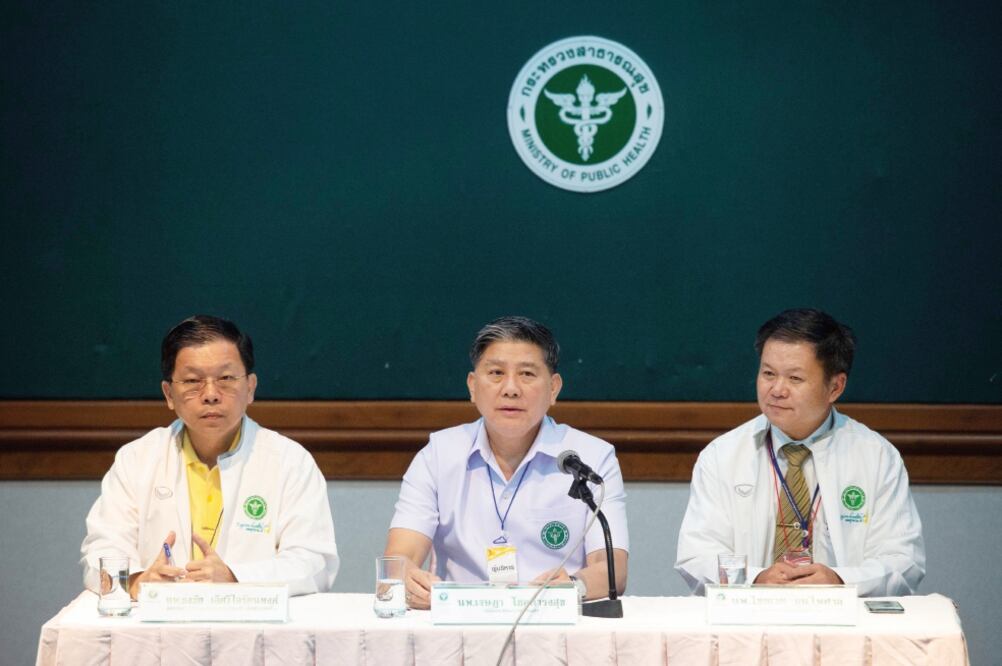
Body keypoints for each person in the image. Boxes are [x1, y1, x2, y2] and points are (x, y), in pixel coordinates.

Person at [80, 315, 339, 598]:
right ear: (169, 394)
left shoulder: (290, 461)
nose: (211, 394)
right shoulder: (137, 459)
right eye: (193, 381)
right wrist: (137, 581)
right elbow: (102, 549)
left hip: (251, 622)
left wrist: (234, 578)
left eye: (226, 378)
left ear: (250, 388)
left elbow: (314, 563)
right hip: (159, 620)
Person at [675, 308, 925, 597]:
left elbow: (903, 561)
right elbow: (697, 555)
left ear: (835, 387)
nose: (777, 390)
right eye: (768, 374)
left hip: (843, 618)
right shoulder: (723, 455)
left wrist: (840, 581)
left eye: (794, 378)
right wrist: (755, 579)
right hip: (747, 615)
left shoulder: (876, 457)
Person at [385, 316, 629, 609]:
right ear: (473, 386)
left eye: (527, 374)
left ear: (553, 389)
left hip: (553, 620)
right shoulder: (438, 455)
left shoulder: (591, 459)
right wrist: (407, 580)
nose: (511, 388)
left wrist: (574, 586)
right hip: (460, 621)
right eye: (496, 373)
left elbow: (613, 569)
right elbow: (400, 559)